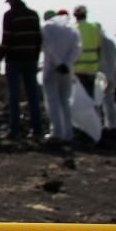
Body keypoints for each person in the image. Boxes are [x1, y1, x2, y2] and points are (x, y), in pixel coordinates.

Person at [0, 0, 43, 140]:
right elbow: (38, 39)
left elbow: (6, 39)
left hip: (14, 59)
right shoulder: (33, 15)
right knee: (33, 96)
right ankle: (37, 129)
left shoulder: (9, 16)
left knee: (14, 96)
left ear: (11, 2)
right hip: (30, 58)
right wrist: (36, 58)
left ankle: (14, 129)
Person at [41, 10, 81, 142]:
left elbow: (47, 47)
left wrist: (58, 63)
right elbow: (77, 49)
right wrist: (67, 64)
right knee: (65, 101)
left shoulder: (47, 28)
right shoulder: (71, 29)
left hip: (51, 69)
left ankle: (56, 132)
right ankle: (68, 133)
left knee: (52, 101)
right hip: (67, 71)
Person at [72, 5, 102, 99]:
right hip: (92, 67)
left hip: (78, 68)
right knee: (91, 94)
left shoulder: (73, 29)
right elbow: (98, 48)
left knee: (80, 97)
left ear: (75, 15)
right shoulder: (94, 28)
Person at [98, 25, 116, 131]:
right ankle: (113, 124)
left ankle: (100, 124)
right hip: (111, 74)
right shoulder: (111, 43)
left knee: (98, 101)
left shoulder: (98, 44)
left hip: (101, 76)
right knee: (110, 101)